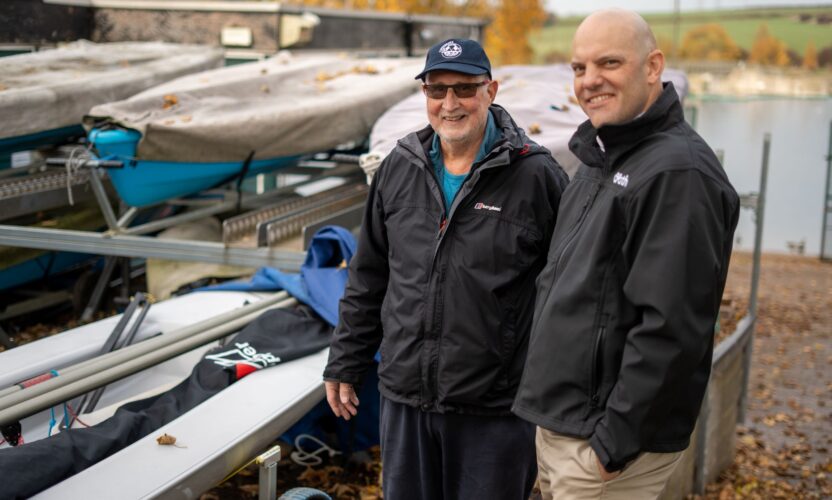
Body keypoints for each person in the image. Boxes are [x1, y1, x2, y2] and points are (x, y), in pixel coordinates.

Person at [322, 38, 568, 499]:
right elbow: (369, 274)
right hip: (406, 399)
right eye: (437, 90)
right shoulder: (400, 166)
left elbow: (570, 293)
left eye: (464, 89)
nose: (449, 104)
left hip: (494, 410)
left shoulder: (536, 176)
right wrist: (346, 360)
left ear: (490, 90)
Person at [512, 9, 740, 500]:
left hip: (602, 447)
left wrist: (612, 444)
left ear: (652, 66)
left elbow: (672, 327)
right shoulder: (603, 157)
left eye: (609, 63)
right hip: (564, 426)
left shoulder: (677, 175)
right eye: (579, 68)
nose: (590, 81)